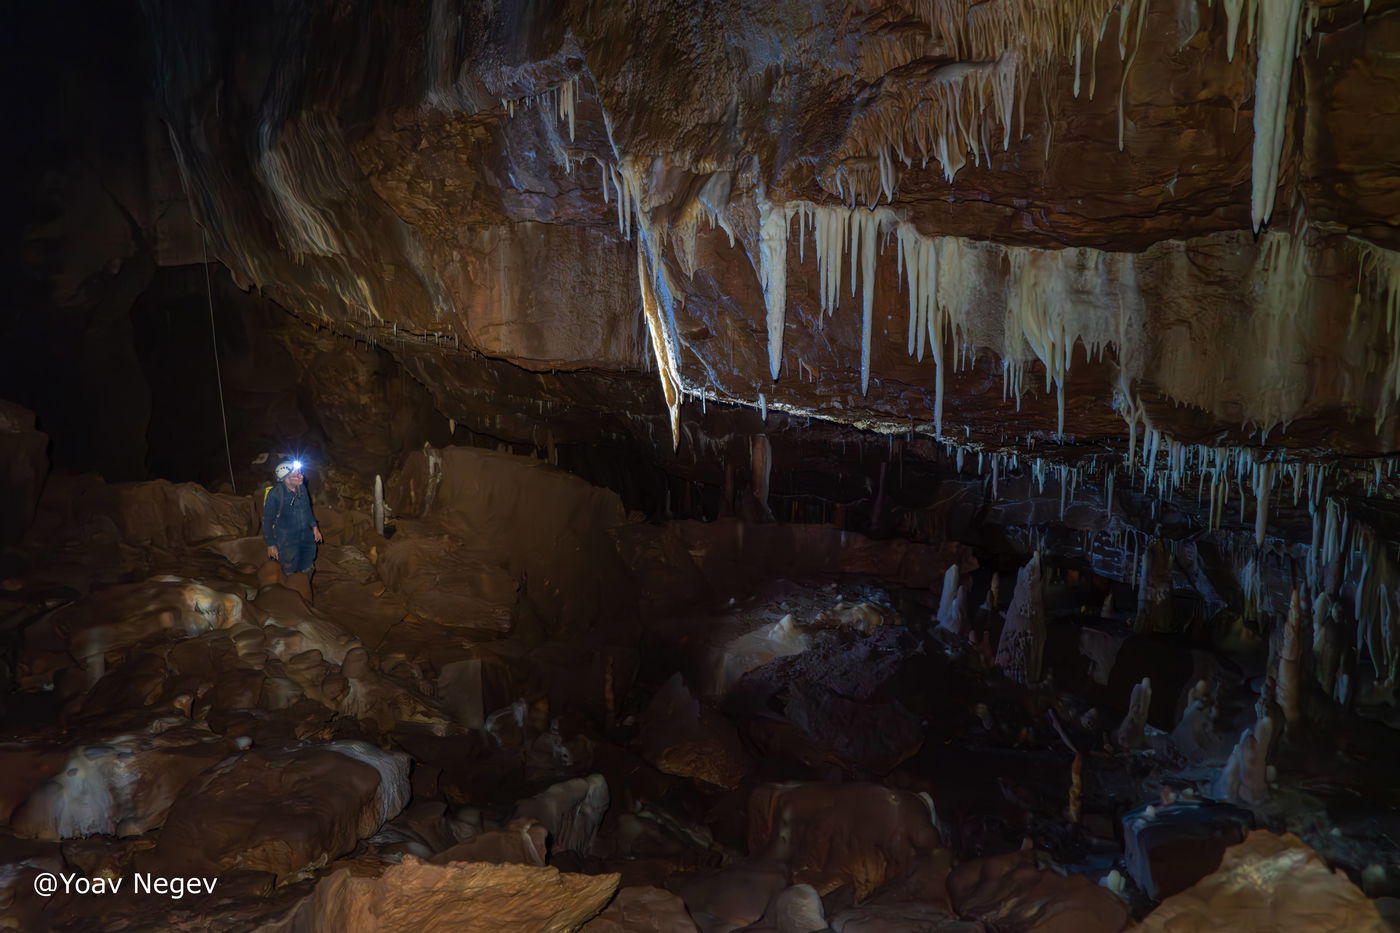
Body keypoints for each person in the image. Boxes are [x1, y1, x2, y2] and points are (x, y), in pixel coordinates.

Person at [263, 459, 323, 590]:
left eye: (300, 473)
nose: (301, 476)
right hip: (286, 539)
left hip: (305, 535)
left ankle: (304, 589)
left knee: (308, 563)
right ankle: (289, 593)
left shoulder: (301, 488)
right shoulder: (276, 495)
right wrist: (270, 544)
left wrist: (314, 527)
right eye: (296, 475)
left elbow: (307, 509)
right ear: (285, 479)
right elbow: (267, 520)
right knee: (289, 567)